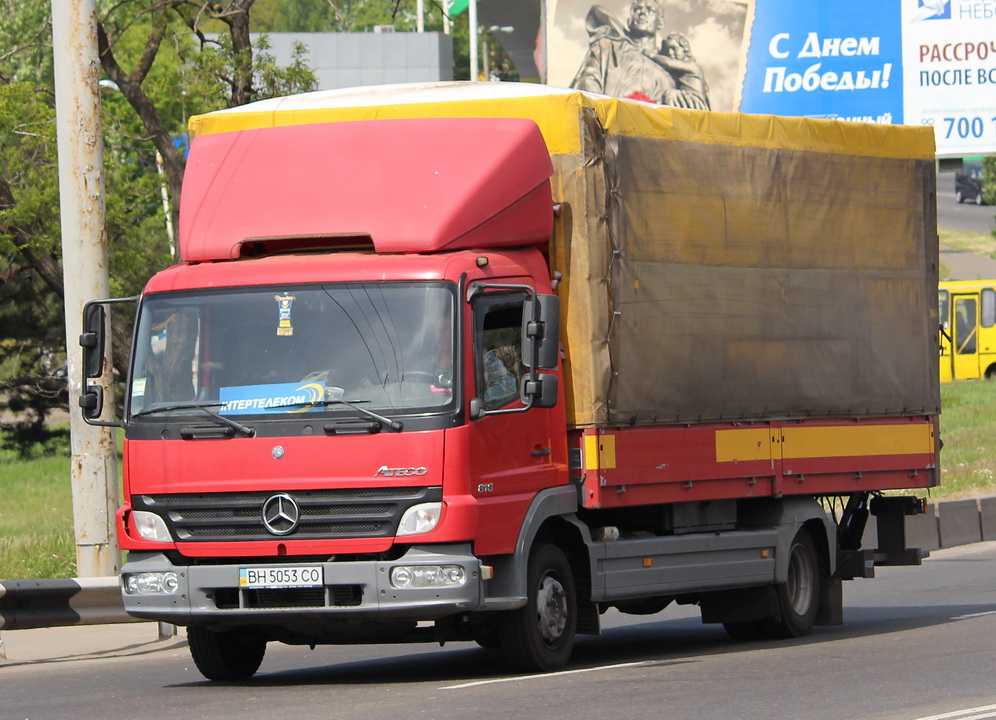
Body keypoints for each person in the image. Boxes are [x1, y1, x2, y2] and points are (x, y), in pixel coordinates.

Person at [570, 2, 712, 110]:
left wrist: (678, 99)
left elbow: (698, 114)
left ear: (660, 22)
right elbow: (587, 85)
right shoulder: (607, 46)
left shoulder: (672, 71)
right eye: (637, 9)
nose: (642, 13)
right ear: (629, 18)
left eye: (649, 10)